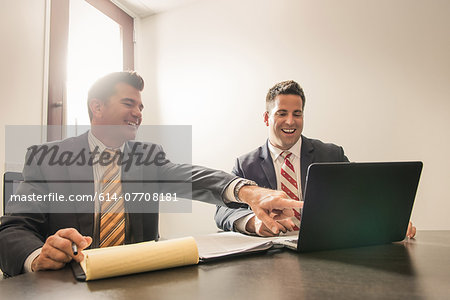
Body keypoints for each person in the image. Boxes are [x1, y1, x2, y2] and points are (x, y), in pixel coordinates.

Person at [0, 72, 300, 277]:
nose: (138, 113)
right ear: (97, 107)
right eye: (129, 103)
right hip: (70, 283)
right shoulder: (47, 158)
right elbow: (12, 230)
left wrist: (248, 192)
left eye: (141, 106)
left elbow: (190, 177)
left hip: (136, 280)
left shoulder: (147, 155)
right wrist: (37, 257)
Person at [215, 80, 417, 238]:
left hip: (324, 250)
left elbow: (361, 195)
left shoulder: (331, 155)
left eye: (297, 113)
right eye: (282, 113)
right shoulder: (245, 164)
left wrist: (390, 220)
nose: (290, 121)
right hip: (269, 255)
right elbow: (222, 213)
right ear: (267, 118)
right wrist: (254, 223)